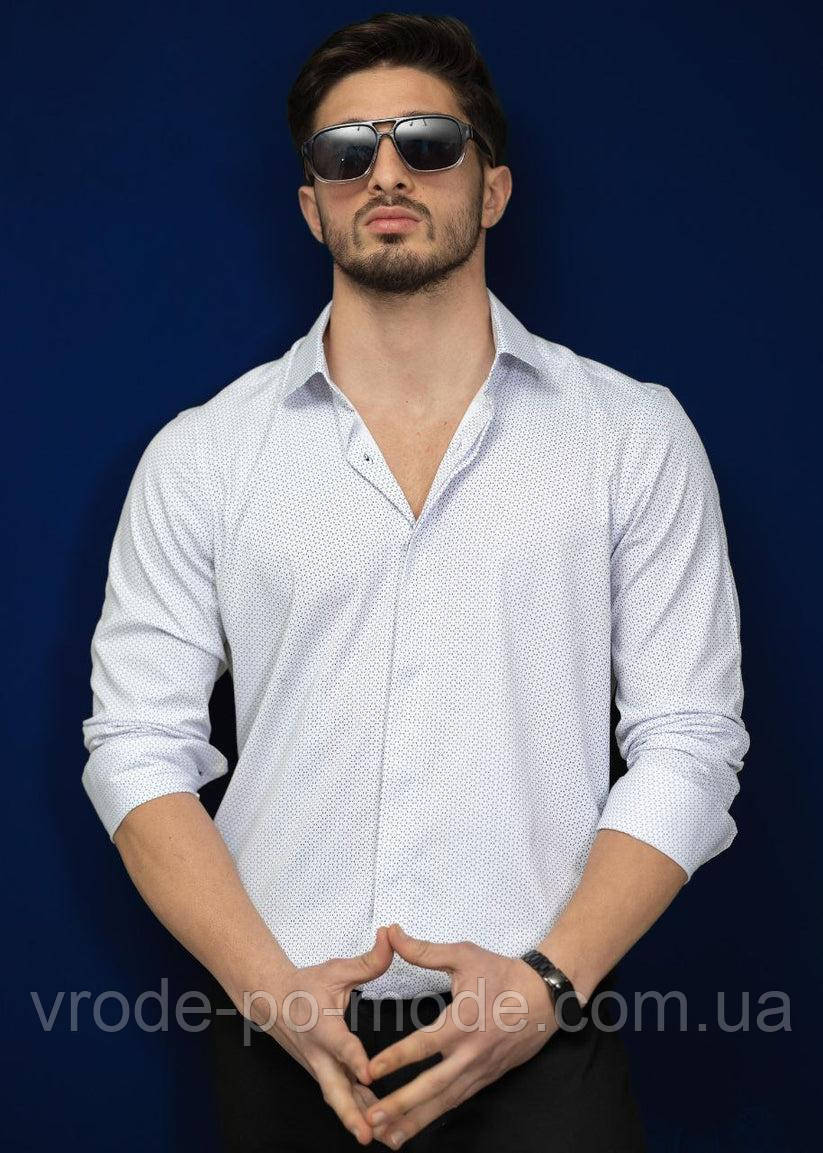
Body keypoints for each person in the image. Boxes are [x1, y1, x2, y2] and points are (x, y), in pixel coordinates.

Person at [80, 11, 749, 1152]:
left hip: (544, 1033)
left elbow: (690, 739)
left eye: (428, 143)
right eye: (347, 151)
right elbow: (136, 745)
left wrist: (546, 982)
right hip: (283, 1038)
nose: (385, 173)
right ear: (311, 204)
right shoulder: (202, 457)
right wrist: (269, 990)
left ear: (492, 189)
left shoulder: (630, 436)